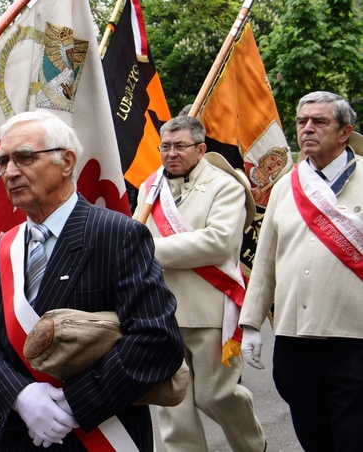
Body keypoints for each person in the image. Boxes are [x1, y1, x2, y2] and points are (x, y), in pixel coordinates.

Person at [0, 110, 183, 451]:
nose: (9, 172)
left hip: (103, 433)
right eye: (2, 161)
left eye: (24, 157)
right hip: (21, 435)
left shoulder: (118, 233)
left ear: (66, 162)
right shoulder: (1, 249)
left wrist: (71, 404)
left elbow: (157, 340)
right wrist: (23, 397)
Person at [134, 115, 266, 451]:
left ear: (201, 148)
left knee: (215, 395)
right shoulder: (151, 188)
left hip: (209, 307)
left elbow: (218, 242)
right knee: (172, 406)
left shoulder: (227, 185)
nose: (171, 153)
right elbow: (136, 234)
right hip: (161, 310)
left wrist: (149, 249)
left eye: (180, 146)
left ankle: (253, 446)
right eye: (166, 146)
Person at [240, 91, 363, 451]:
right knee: (313, 435)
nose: (307, 128)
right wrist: (250, 324)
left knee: (353, 436)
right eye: (301, 121)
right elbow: (264, 263)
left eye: (319, 122)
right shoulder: (284, 187)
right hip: (295, 338)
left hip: (353, 337)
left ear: (344, 132)